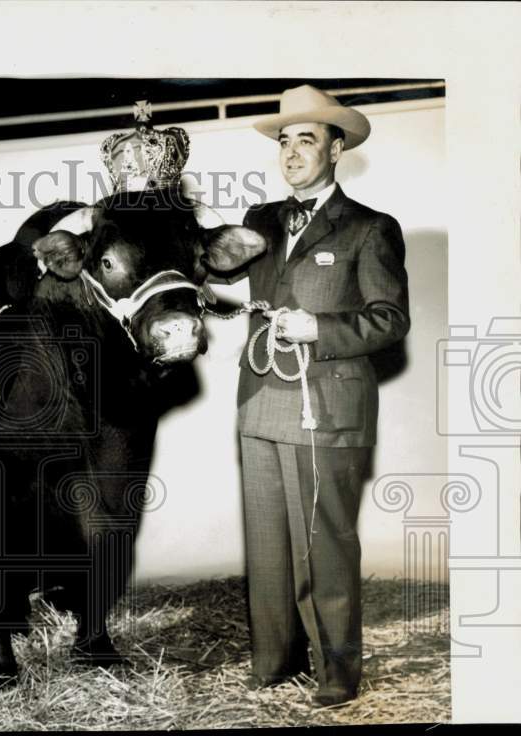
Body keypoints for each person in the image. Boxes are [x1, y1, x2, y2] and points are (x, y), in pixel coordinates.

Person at [232, 85, 410, 706]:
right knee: (267, 545)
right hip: (258, 404)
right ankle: (273, 662)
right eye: (284, 140)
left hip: (323, 408)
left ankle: (337, 672)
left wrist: (321, 329)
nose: (291, 152)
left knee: (324, 546)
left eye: (306, 138)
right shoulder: (257, 223)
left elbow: (391, 321)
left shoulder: (370, 229)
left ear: (336, 148)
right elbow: (212, 271)